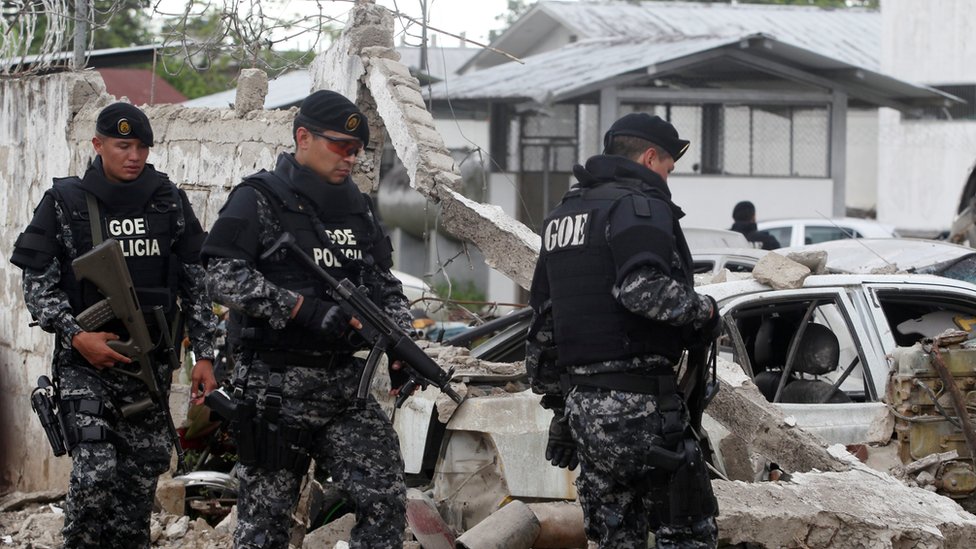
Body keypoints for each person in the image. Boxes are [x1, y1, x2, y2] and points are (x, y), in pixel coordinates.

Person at [201, 89, 411, 549]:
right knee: (265, 524)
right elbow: (221, 277)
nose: (350, 159)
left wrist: (400, 341)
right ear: (303, 137)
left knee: (386, 500)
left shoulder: (357, 208)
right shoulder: (258, 198)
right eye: (340, 146)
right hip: (277, 387)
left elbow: (383, 283)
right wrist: (299, 308)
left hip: (344, 388)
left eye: (356, 151)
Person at [9, 102, 218, 548]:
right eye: (123, 145)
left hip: (149, 366)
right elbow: (38, 284)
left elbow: (197, 284)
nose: (134, 155)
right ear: (97, 144)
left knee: (136, 488)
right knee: (95, 471)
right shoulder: (65, 204)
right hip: (87, 366)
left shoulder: (168, 201)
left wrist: (204, 356)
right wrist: (76, 335)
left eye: (142, 147)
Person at [525, 112, 720, 548]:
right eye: (669, 168)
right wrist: (705, 311)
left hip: (584, 410)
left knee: (614, 537)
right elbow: (641, 290)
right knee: (688, 530)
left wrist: (560, 409)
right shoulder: (641, 207)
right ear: (651, 157)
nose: (669, 179)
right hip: (641, 407)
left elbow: (543, 322)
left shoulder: (563, 216)